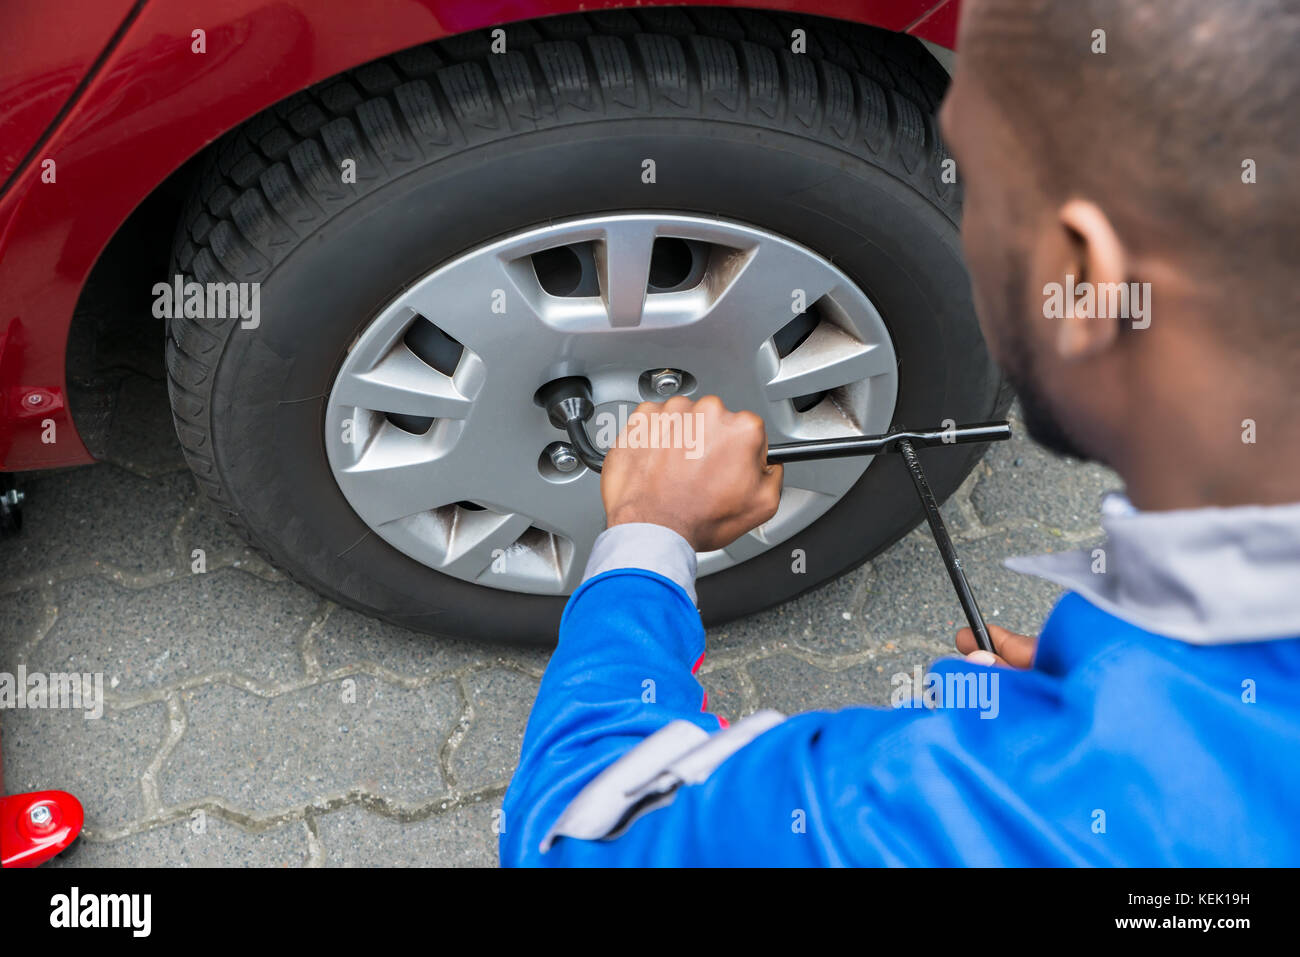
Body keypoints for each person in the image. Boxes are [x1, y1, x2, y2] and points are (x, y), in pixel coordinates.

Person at [499, 0, 1300, 865]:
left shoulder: (958, 818)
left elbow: (568, 831)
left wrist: (648, 534)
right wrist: (1108, 695)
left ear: (1082, 279)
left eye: (978, 187)